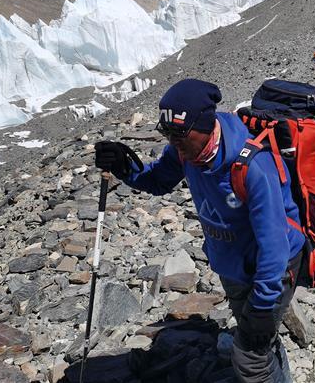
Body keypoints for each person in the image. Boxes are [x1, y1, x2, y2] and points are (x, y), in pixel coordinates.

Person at [94, 79, 303, 383]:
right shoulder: (186, 152)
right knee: (258, 337)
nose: (173, 142)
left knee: (250, 358)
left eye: (179, 133)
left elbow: (275, 245)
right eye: (167, 133)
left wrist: (263, 304)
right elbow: (159, 181)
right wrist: (126, 169)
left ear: (205, 126)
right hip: (232, 263)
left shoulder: (253, 166)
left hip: (272, 269)